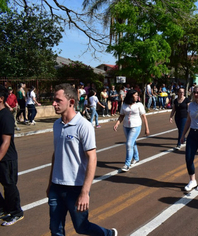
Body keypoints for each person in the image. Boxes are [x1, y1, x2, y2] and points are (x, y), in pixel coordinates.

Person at [47, 83, 117, 236]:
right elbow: (56, 153)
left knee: (81, 227)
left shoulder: (83, 125)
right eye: (54, 100)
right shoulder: (56, 125)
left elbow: (92, 158)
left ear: (71, 102)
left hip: (75, 187)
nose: (54, 104)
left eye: (58, 100)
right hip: (56, 187)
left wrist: (85, 192)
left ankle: (108, 234)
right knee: (55, 229)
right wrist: (50, 183)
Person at [0, 85, 24, 226]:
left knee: (9, 186)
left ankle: (16, 212)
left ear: (1, 99)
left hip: (6, 158)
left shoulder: (5, 116)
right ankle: (3, 208)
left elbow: (6, 141)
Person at [113, 90, 150, 172]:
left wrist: (146, 128)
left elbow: (144, 117)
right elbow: (121, 116)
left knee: (129, 144)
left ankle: (127, 164)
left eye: (137, 95)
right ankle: (136, 158)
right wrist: (117, 124)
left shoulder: (139, 105)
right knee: (132, 143)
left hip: (136, 126)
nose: (137, 97)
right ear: (130, 96)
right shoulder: (124, 105)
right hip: (126, 126)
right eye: (135, 95)